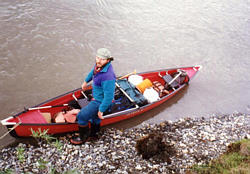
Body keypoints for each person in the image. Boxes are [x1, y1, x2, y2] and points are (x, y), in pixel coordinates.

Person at [70, 48, 116, 145]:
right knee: (94, 118)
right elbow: (92, 72)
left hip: (100, 101)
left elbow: (109, 96)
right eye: (97, 57)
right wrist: (86, 81)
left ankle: (83, 138)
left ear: (108, 60)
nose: (98, 60)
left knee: (81, 116)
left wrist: (101, 110)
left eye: (102, 59)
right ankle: (94, 135)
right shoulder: (99, 66)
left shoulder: (108, 76)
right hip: (96, 96)